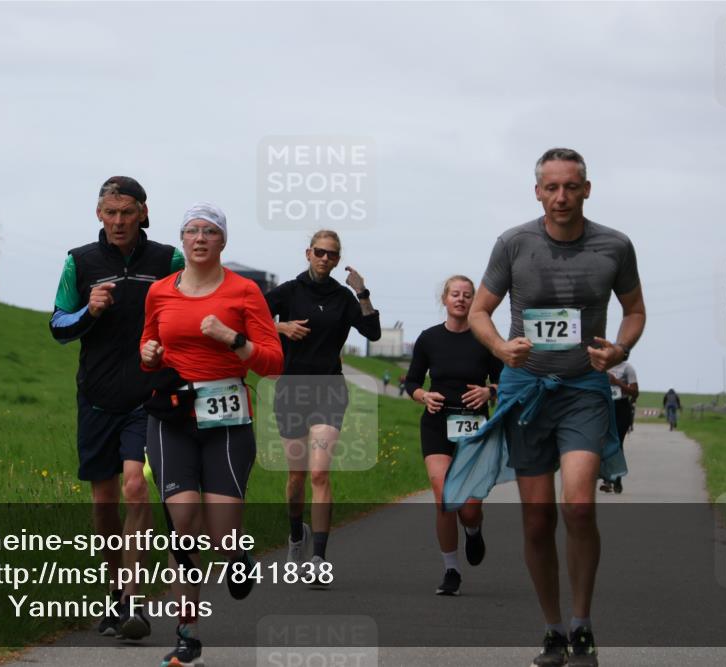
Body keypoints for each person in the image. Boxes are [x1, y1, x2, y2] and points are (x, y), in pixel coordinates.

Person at [463, 148, 645, 667]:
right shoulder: (514, 243)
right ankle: (552, 629)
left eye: (571, 186)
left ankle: (583, 624)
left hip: (584, 390)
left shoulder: (615, 245)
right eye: (551, 187)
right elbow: (480, 310)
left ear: (588, 189)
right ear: (537, 191)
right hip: (527, 390)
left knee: (579, 506)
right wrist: (500, 348)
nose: (561, 197)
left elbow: (634, 311)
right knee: (538, 522)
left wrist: (621, 349)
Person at [140, 202, 283, 667]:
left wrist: (232, 339)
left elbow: (273, 361)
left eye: (210, 231)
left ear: (223, 241)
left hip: (227, 421)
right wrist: (149, 354)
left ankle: (237, 558)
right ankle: (187, 632)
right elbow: (149, 352)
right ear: (182, 241)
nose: (200, 238)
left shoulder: (245, 292)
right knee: (182, 523)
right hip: (173, 417)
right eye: (191, 231)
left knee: (222, 537)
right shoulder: (160, 293)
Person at [49, 176, 183, 640]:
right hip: (96, 397)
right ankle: (114, 591)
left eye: (128, 212)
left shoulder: (168, 259)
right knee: (104, 503)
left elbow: (194, 305)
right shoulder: (79, 261)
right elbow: (58, 325)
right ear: (99, 214)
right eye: (111, 212)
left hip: (149, 396)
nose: (119, 221)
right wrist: (90, 310)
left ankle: (133, 598)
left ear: (144, 212)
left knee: (134, 487)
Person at [264, 230, 380, 583]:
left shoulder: (343, 297)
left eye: (332, 254)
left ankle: (318, 559)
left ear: (337, 259)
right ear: (308, 253)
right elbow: (251, 319)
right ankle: (296, 534)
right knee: (296, 477)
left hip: (329, 390)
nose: (325, 259)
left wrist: (362, 291)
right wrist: (281, 328)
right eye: (320, 252)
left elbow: (372, 332)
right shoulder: (289, 291)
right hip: (292, 391)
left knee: (319, 473)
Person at [405, 275, 502, 595]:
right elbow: (412, 383)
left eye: (467, 295)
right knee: (444, 497)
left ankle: (473, 529)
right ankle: (451, 570)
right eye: (455, 294)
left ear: (474, 301)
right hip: (437, 424)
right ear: (444, 300)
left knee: (469, 506)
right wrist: (424, 396)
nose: (460, 299)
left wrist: (489, 392)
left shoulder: (485, 339)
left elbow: (505, 383)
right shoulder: (429, 339)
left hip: (475, 429)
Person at [601, 361, 638, 493]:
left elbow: (635, 392)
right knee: (603, 442)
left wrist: (616, 382)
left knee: (616, 443)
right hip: (604, 407)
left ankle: (616, 479)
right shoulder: (602, 365)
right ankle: (607, 479)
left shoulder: (627, 368)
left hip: (621, 408)